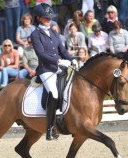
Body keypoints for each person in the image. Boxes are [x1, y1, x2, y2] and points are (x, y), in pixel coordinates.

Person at [31, 3, 76, 140]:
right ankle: (50, 129)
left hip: (58, 68)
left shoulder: (53, 32)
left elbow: (62, 50)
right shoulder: (35, 34)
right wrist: (57, 61)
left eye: (50, 17)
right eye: (46, 18)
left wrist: (72, 59)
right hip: (46, 70)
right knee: (54, 93)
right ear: (39, 18)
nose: (49, 19)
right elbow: (41, 54)